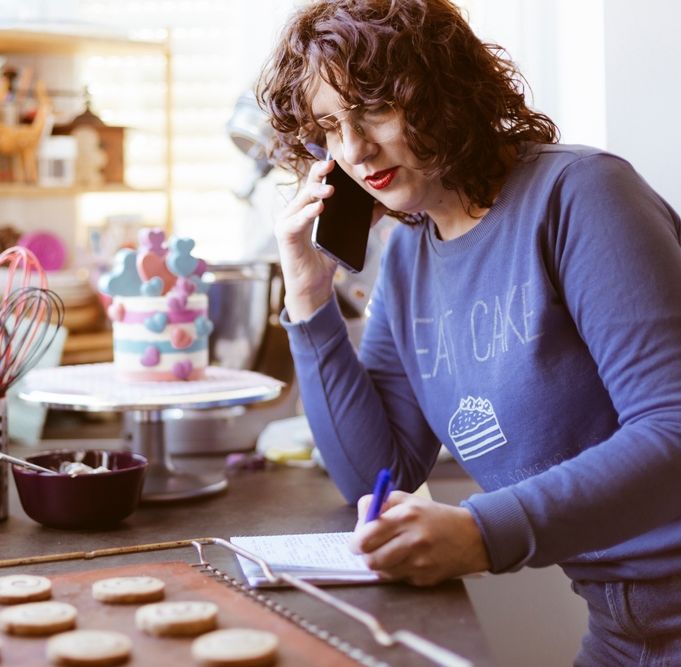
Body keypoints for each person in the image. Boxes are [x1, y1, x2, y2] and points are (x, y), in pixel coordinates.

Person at [256, 0, 681, 664]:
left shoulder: (583, 196)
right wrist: (309, 298)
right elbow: (377, 472)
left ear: (438, 89)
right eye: (330, 127)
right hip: (621, 627)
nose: (355, 150)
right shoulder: (407, 257)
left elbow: (673, 429)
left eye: (372, 108)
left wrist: (484, 533)